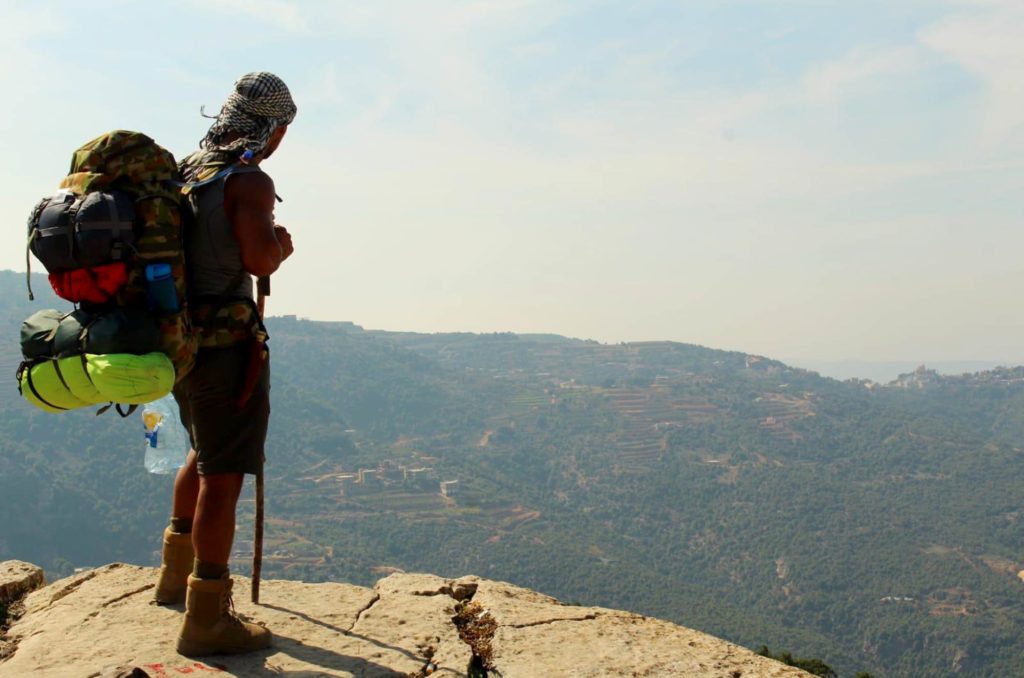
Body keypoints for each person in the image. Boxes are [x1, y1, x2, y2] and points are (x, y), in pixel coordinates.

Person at [153, 72, 296, 656]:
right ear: (273, 127)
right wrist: (281, 245)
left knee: (201, 450)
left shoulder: (186, 173)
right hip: (226, 345)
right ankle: (207, 616)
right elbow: (259, 256)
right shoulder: (248, 181)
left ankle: (173, 576)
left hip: (178, 341)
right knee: (224, 470)